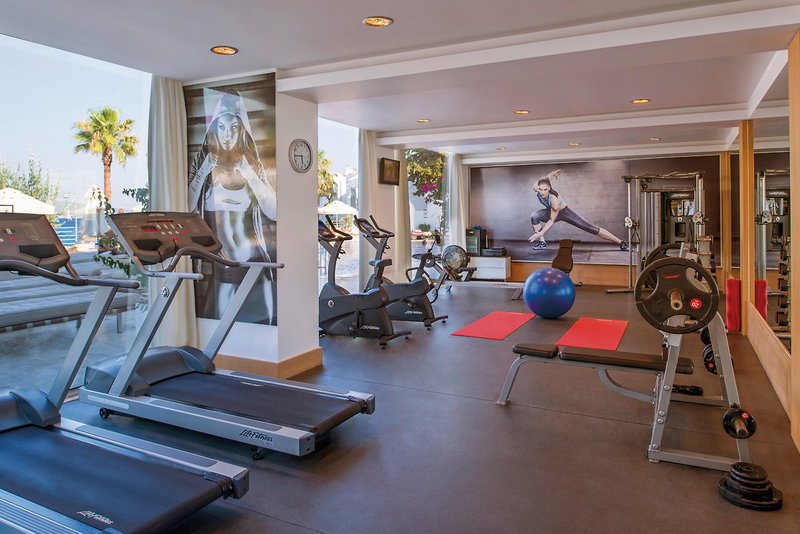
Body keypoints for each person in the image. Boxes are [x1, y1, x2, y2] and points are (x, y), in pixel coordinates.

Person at [188, 90, 277, 324]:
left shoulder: (251, 164)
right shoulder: (204, 166)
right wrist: (202, 172)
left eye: (234, 128)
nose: (227, 135)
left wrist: (249, 174)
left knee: (265, 326)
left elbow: (274, 211)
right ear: (215, 129)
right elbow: (186, 208)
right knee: (221, 326)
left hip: (255, 265)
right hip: (222, 269)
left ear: (241, 129)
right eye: (222, 127)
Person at [528, 169, 628, 251]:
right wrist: (552, 174)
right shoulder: (536, 188)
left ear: (549, 188)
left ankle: (621, 242)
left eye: (545, 189)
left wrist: (542, 232)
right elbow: (546, 179)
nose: (542, 192)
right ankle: (542, 242)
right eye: (540, 189)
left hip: (565, 212)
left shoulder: (554, 200)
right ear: (538, 188)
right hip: (551, 211)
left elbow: (551, 220)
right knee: (534, 216)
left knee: (590, 228)